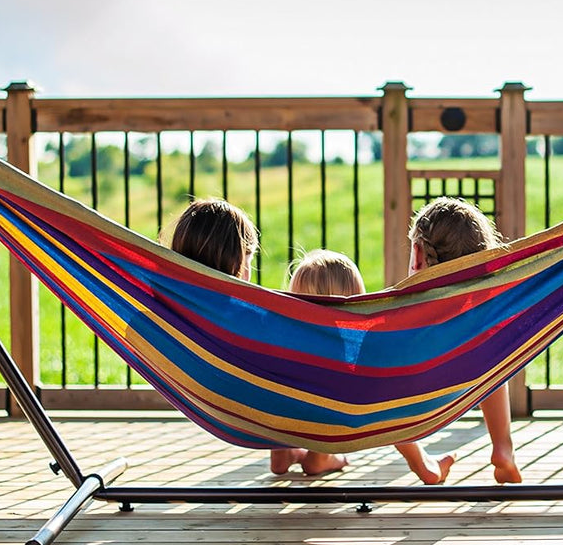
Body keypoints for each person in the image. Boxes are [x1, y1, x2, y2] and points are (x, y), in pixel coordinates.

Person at [166, 198, 344, 477]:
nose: (249, 272)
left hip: (223, 406)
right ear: (236, 260)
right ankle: (319, 456)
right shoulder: (248, 315)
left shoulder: (168, 311)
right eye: (248, 260)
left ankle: (284, 450)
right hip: (267, 407)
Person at [287, 249, 455, 485]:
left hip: (297, 419)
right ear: (356, 298)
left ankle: (287, 452)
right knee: (386, 403)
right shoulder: (359, 345)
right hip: (349, 421)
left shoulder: (288, 343)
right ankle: (423, 464)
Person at [408, 197, 522, 484]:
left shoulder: (397, 314)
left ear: (418, 254)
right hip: (462, 390)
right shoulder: (481, 320)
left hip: (402, 406)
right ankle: (503, 447)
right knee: (491, 355)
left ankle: (421, 463)